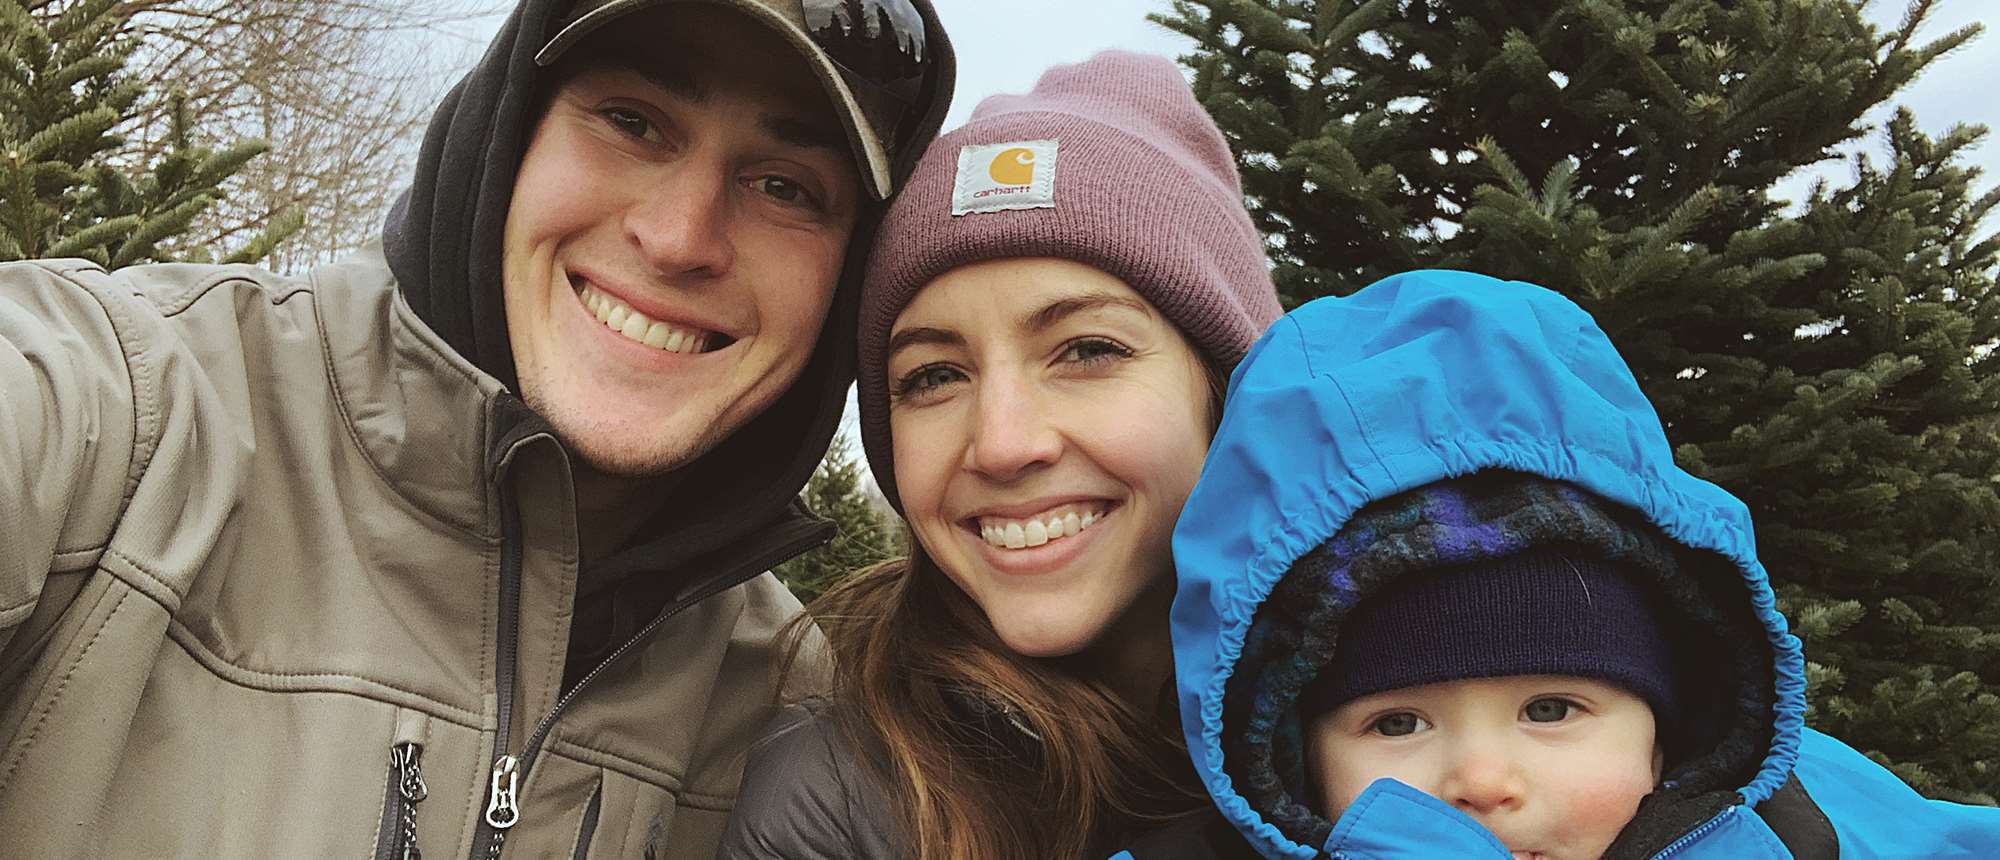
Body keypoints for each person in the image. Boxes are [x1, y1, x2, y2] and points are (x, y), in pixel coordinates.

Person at [0, 0, 953, 857]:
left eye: (785, 187)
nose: (678, 239)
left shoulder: (788, 706)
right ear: (506, 132)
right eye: (631, 121)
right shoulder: (126, 409)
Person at [1114, 270, 2000, 858]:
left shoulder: (1806, 822)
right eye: (1396, 724)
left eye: (1550, 709)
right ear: (1295, 759)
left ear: (1662, 728)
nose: (1482, 783)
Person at [718, 51, 1284, 859]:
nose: (1004, 443)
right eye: (935, 375)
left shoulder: (1433, 704)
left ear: (1226, 394)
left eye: (1087, 350)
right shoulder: (842, 804)